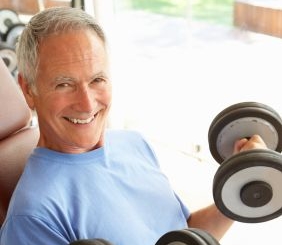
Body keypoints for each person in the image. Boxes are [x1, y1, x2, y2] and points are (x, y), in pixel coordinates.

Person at [0, 6, 267, 245]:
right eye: (64, 84)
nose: (87, 103)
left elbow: (182, 234)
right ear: (28, 89)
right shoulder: (32, 216)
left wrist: (239, 187)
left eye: (97, 80)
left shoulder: (133, 144)